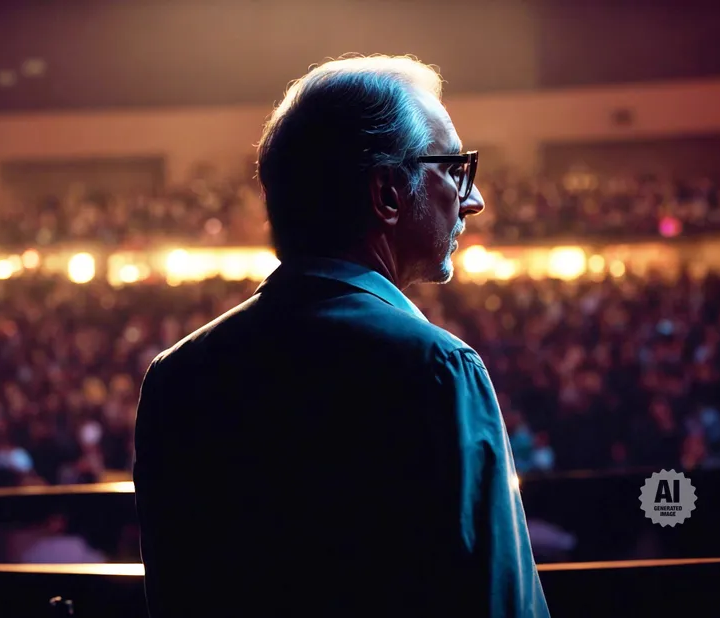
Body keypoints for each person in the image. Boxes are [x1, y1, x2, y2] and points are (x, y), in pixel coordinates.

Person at [134, 55, 550, 617]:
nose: (472, 199)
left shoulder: (175, 377)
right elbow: (500, 604)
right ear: (387, 194)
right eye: (454, 170)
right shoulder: (436, 368)